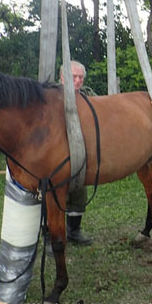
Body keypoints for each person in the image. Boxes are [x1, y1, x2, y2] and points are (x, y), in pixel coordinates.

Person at [59, 60, 96, 246]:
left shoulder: (86, 98)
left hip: (79, 153)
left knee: (78, 192)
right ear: (62, 78)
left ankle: (74, 232)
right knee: (54, 195)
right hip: (56, 156)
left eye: (81, 77)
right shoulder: (52, 98)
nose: (78, 81)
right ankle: (50, 236)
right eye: (74, 77)